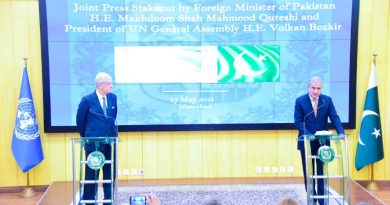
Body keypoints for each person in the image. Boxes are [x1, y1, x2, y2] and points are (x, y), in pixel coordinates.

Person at [294, 76, 344, 205]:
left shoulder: (326, 100)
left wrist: (341, 132)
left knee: (321, 171)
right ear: (308, 87)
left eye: (318, 88)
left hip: (322, 143)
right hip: (306, 142)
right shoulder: (300, 101)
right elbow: (298, 122)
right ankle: (312, 197)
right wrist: (310, 135)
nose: (316, 91)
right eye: (313, 88)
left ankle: (322, 200)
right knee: (308, 171)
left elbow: (334, 117)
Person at [76, 72, 118, 204]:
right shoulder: (87, 100)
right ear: (100, 85)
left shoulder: (113, 98)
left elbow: (113, 117)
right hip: (93, 144)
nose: (112, 86)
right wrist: (87, 137)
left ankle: (108, 200)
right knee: (91, 174)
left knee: (109, 174)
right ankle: (88, 201)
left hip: (110, 143)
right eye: (109, 83)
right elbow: (80, 121)